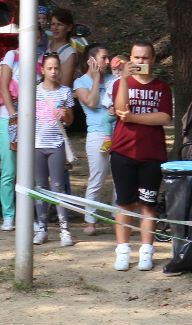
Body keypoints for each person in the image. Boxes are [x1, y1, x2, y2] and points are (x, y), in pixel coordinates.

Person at [110, 39, 171, 272]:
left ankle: (146, 251)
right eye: (136, 57)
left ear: (153, 60)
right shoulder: (120, 83)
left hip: (152, 153)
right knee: (124, 203)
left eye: (145, 58)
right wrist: (125, 79)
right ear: (130, 58)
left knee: (148, 204)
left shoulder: (161, 87)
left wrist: (134, 118)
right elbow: (120, 109)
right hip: (123, 150)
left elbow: (164, 117)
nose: (140, 61)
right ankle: (123, 250)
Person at [73, 43, 115, 237]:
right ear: (91, 60)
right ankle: (90, 220)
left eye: (108, 58)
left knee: (120, 179)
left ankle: (118, 218)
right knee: (97, 177)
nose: (107, 61)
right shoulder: (80, 82)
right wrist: (97, 78)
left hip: (118, 133)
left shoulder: (113, 79)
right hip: (97, 134)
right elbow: (91, 102)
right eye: (103, 58)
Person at [33, 52, 74, 247]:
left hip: (56, 144)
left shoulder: (65, 92)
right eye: (49, 68)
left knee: (58, 186)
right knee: (40, 187)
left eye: (56, 68)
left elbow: (70, 121)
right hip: (37, 145)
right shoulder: (34, 92)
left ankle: (64, 229)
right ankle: (42, 228)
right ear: (42, 70)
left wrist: (65, 114)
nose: (53, 72)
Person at [0, 46, 20, 231]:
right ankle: (8, 215)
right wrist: (13, 116)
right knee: (9, 170)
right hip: (8, 119)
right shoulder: (12, 56)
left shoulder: (41, 60)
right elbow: (3, 87)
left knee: (29, 172)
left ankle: (30, 215)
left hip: (32, 120)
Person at [46, 8, 77, 87]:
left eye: (59, 24)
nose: (55, 28)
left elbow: (64, 85)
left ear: (69, 27)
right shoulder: (46, 43)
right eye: (53, 24)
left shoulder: (69, 53)